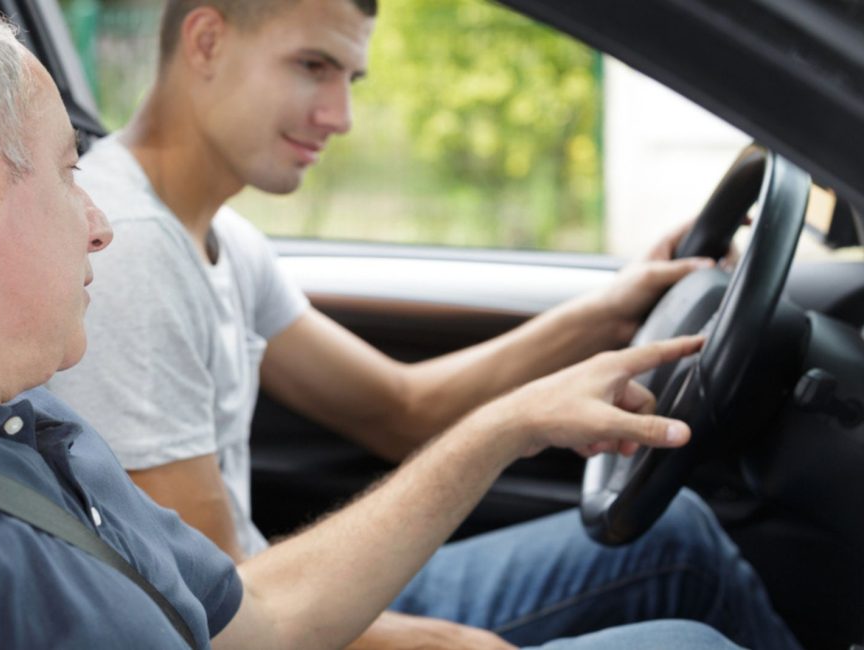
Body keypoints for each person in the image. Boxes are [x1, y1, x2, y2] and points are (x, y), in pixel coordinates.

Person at [0, 0, 761, 648]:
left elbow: (263, 622)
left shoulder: (17, 430)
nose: (98, 224)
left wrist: (501, 427)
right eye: (70, 173)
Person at [47, 1, 801, 648]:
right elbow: (216, 617)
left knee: (680, 537)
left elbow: (400, 408)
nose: (339, 116)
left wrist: (611, 309)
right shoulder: (132, 247)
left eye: (350, 78)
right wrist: (441, 639)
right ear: (207, 40)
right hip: (268, 620)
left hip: (287, 597)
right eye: (313, 66)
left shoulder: (222, 239)